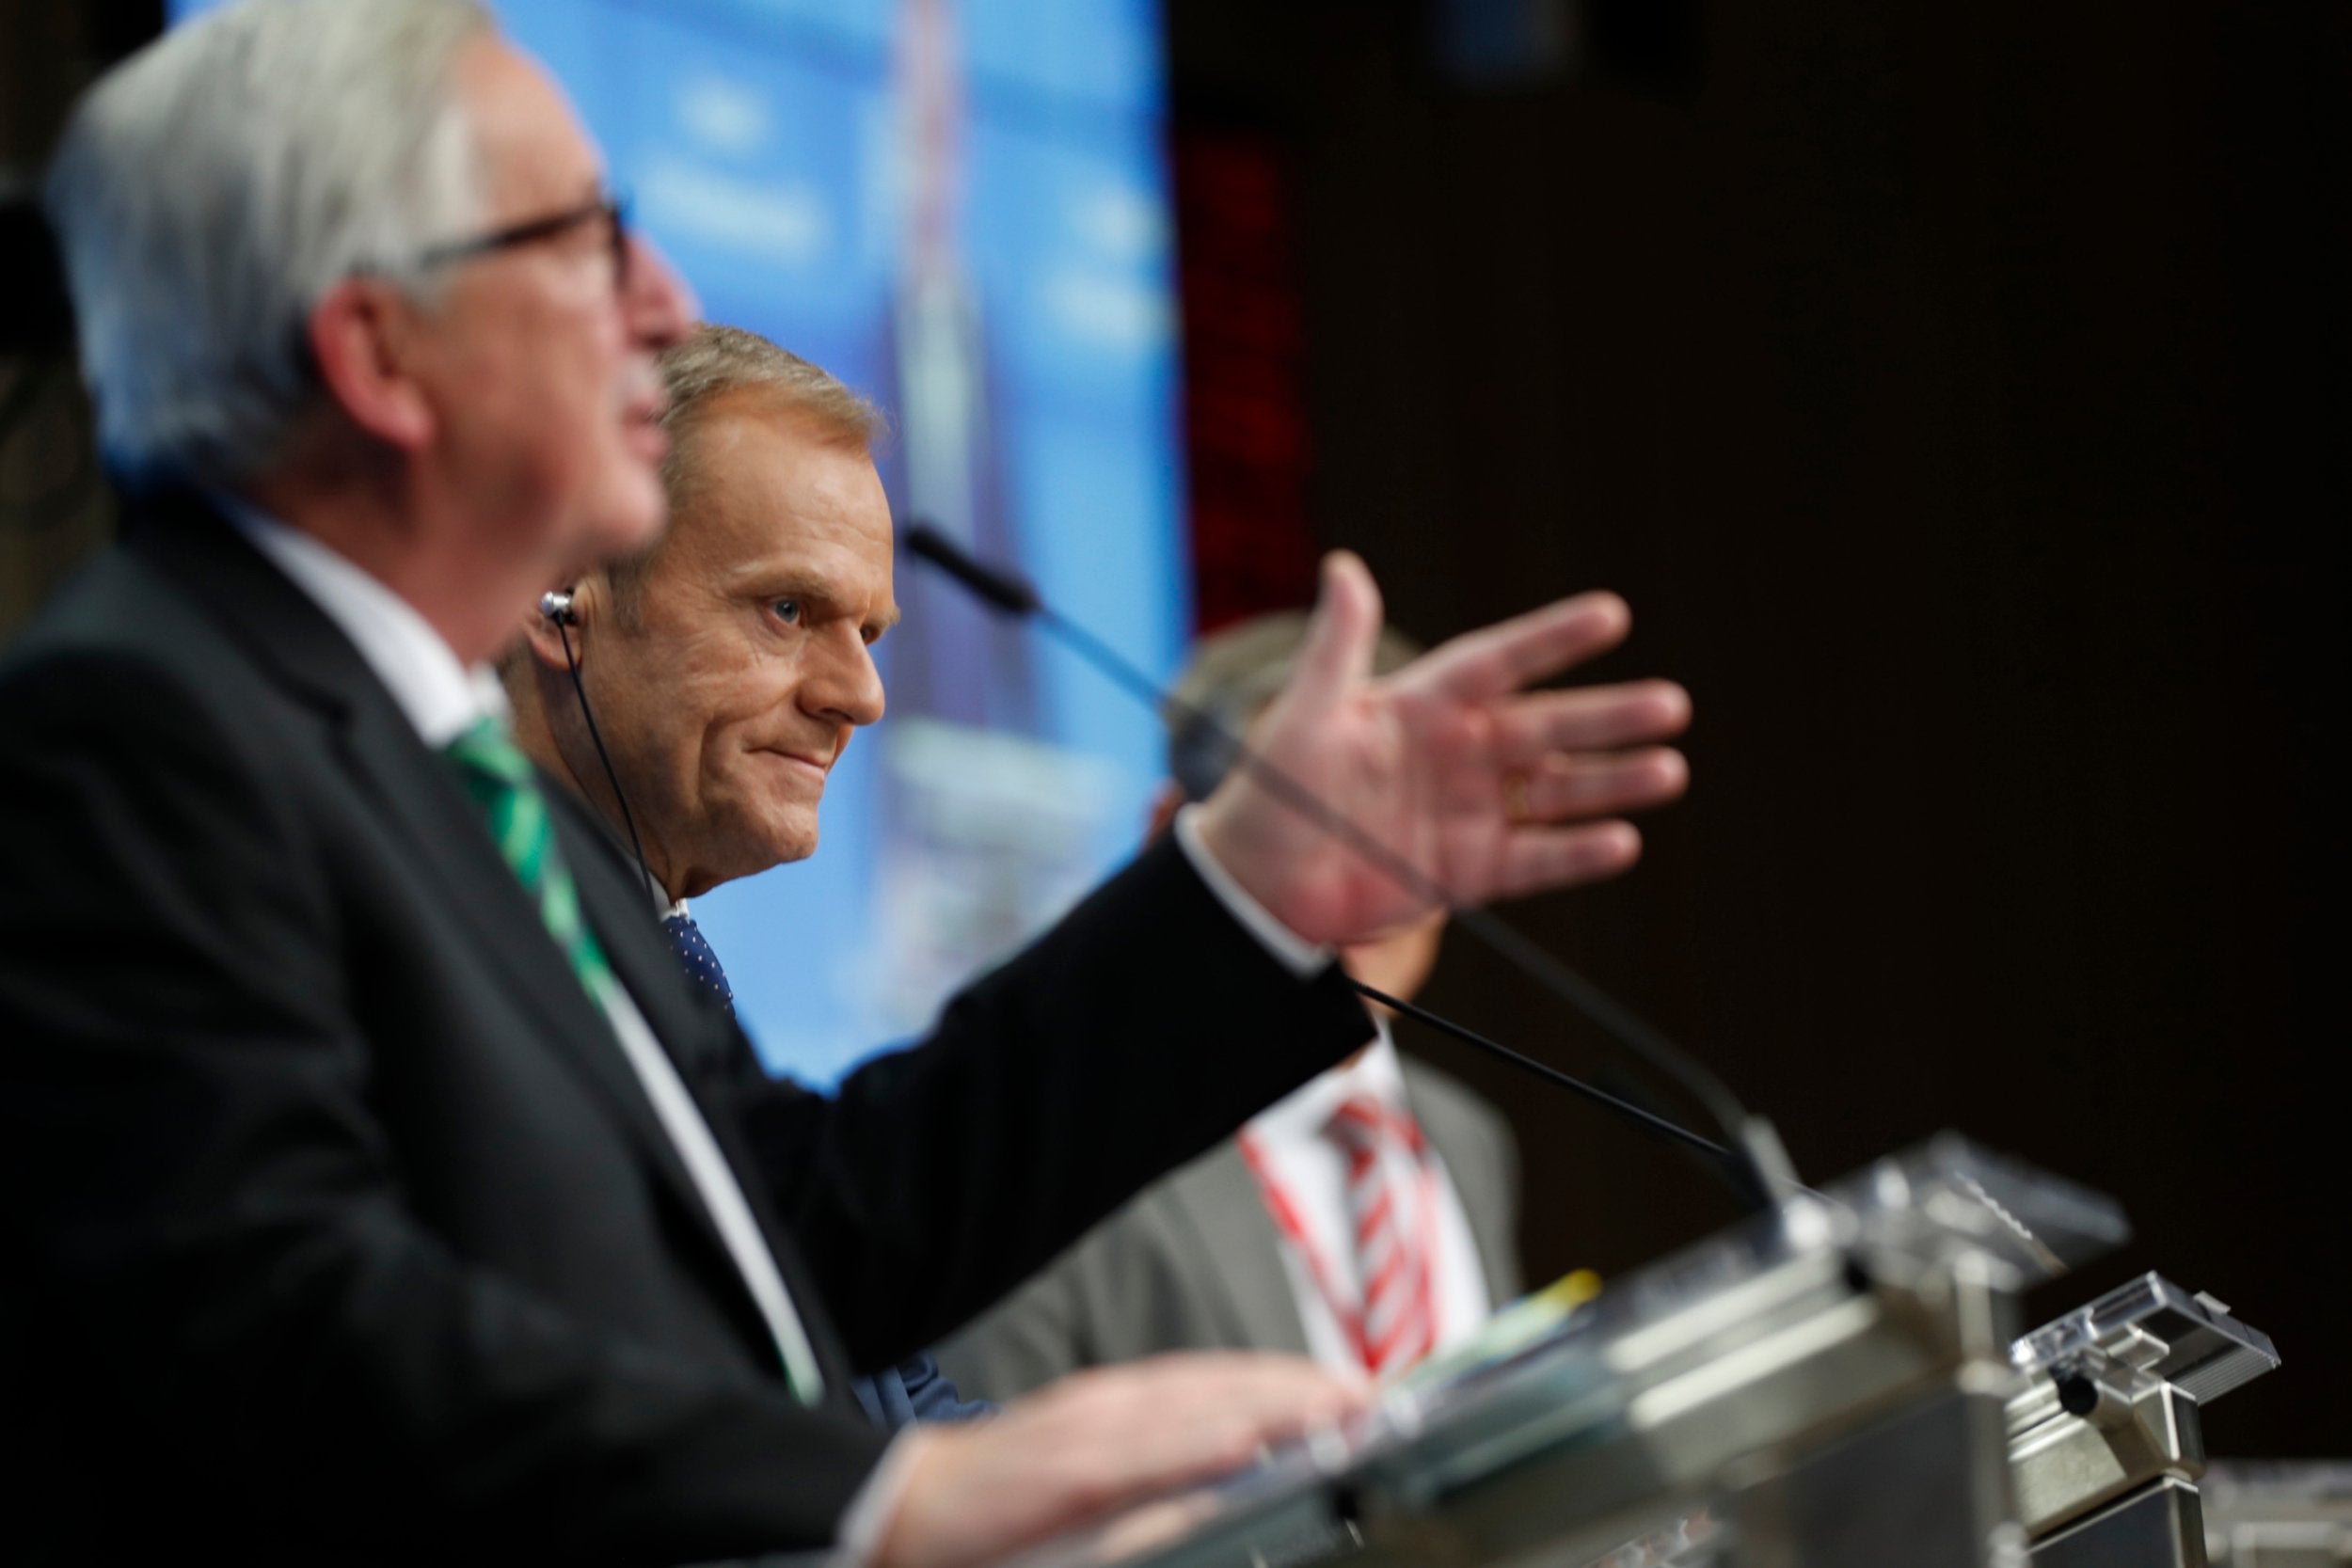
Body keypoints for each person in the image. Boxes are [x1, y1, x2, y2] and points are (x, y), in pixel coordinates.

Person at [0, 3, 1693, 1564]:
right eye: (587, 243)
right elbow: (283, 1336)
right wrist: (884, 1497)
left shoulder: (476, 803)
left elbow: (801, 1230)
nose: (661, 298)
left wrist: (1248, 894)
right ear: (377, 352)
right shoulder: (134, 731)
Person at [501, 324, 993, 1429]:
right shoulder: (457, 947)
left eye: (868, 630)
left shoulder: (669, 967)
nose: (859, 695)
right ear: (560, 597)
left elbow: (897, 1413)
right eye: (788, 610)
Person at [938, 614, 1522, 1400]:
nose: (1363, 877)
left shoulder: (1467, 1136)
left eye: (1401, 819)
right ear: (1169, 840)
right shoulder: (1048, 1156)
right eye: (1308, 820)